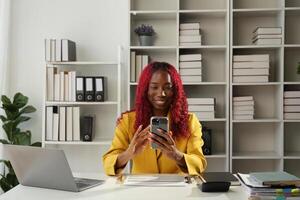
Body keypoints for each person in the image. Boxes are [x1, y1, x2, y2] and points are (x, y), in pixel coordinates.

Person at [103, 61, 207, 175]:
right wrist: (129, 153)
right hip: (140, 189)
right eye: (154, 87)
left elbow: (200, 164)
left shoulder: (190, 121)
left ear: (175, 91)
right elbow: (108, 163)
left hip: (177, 189)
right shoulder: (128, 121)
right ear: (145, 90)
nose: (161, 93)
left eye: (167, 87)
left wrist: (176, 155)